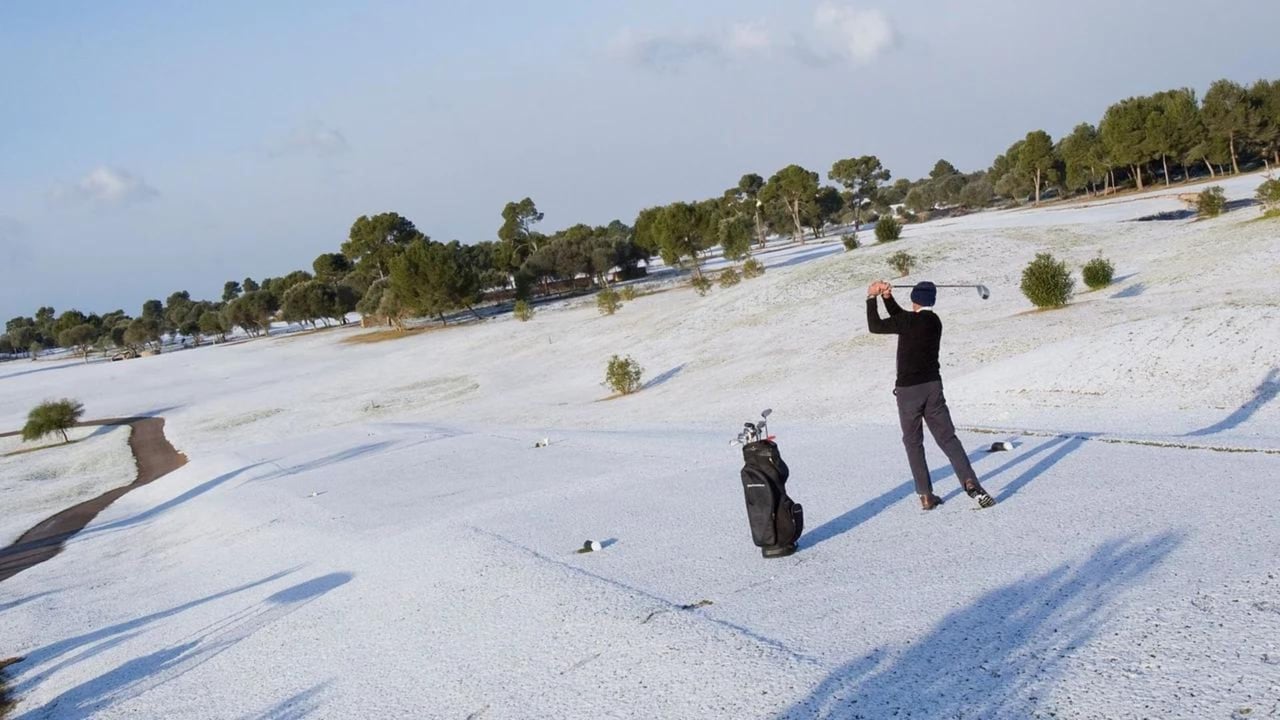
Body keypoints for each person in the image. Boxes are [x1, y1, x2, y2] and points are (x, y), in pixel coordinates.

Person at [866, 280, 995, 510]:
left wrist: (871, 297)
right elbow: (902, 317)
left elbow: (875, 326)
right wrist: (887, 298)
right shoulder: (935, 321)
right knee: (948, 438)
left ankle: (925, 495)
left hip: (908, 392)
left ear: (914, 298)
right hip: (933, 387)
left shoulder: (907, 321)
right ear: (931, 301)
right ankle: (970, 482)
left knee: (913, 443)